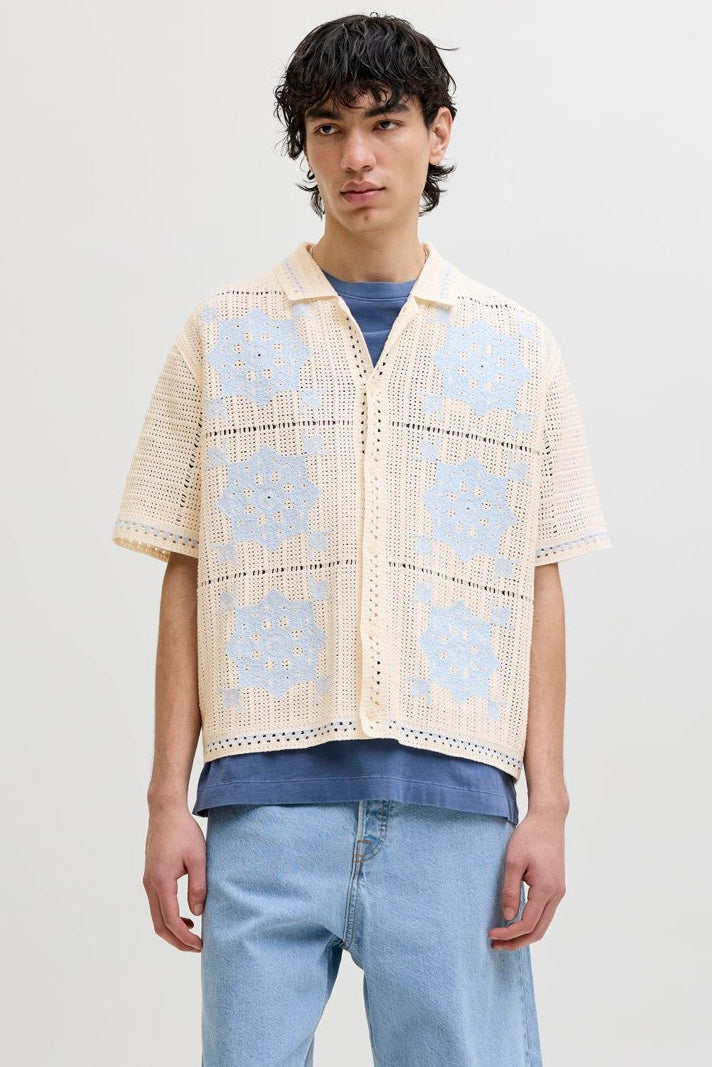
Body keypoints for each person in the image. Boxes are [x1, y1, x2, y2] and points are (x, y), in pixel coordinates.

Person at [112, 13, 612, 1066]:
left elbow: (537, 583)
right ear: (303, 144)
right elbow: (187, 571)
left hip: (456, 812)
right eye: (328, 128)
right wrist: (166, 800)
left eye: (384, 123)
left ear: (438, 130)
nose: (356, 157)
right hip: (263, 810)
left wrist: (549, 804)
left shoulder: (515, 347)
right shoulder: (223, 334)